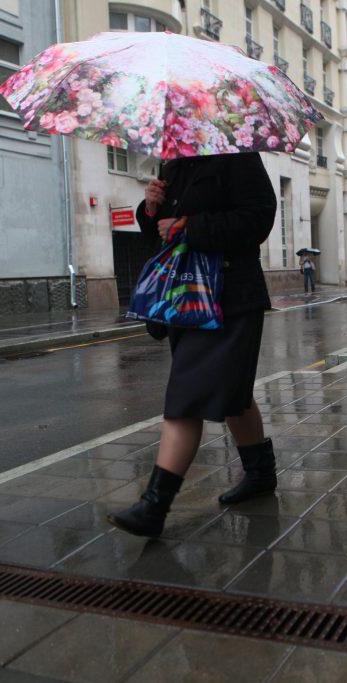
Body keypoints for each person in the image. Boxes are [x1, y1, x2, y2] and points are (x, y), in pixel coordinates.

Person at [108, 152, 278, 537]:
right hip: (186, 299)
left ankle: (154, 506)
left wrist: (189, 226)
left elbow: (258, 218)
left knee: (185, 398)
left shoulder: (236, 159)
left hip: (229, 298)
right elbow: (161, 234)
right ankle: (260, 475)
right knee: (235, 395)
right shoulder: (173, 166)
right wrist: (149, 210)